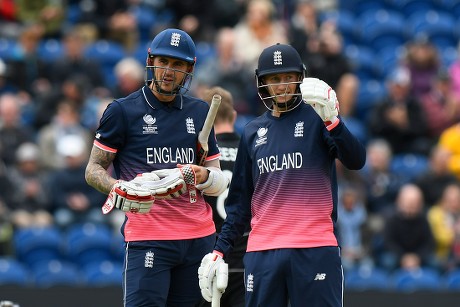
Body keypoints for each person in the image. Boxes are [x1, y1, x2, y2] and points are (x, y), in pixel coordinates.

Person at [198, 43, 366, 307]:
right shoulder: (253, 132)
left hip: (314, 247)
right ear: (262, 82)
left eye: (288, 77)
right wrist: (219, 250)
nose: (282, 85)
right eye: (274, 79)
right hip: (262, 252)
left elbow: (356, 160)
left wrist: (334, 122)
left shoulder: (317, 118)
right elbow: (240, 205)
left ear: (300, 78)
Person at [85, 28, 227, 306]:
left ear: (189, 69)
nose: (168, 71)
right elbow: (92, 170)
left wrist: (204, 175)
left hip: (199, 238)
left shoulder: (200, 112)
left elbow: (219, 179)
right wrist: (118, 187)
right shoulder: (123, 111)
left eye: (177, 64)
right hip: (148, 238)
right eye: (163, 62)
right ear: (151, 61)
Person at [197, 86, 246, 307]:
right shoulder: (253, 150)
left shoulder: (198, 158)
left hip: (206, 257)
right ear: (234, 116)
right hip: (245, 257)